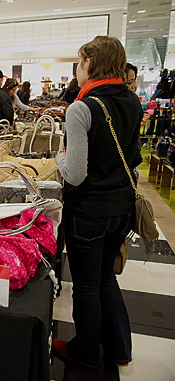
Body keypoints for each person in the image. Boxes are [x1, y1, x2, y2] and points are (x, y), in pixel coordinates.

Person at [53, 36, 141, 368]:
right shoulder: (132, 102)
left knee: (87, 286)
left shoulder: (82, 107)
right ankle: (120, 349)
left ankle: (85, 350)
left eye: (78, 63)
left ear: (88, 63)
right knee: (106, 277)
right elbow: (133, 159)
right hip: (121, 209)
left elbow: (74, 173)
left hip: (88, 211)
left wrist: (60, 157)